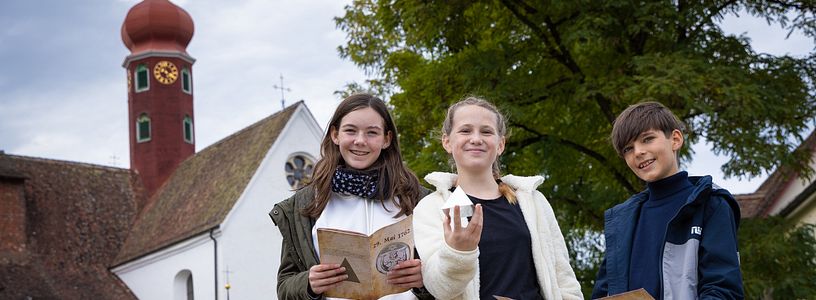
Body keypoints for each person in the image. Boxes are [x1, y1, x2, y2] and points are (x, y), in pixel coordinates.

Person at [412, 96, 583, 299]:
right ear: (447, 142)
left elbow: (564, 280)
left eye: (486, 131)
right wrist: (457, 252)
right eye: (465, 130)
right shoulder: (433, 207)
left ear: (500, 144)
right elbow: (439, 288)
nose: (476, 139)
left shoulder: (533, 202)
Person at [270, 93, 432, 299]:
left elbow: (451, 279)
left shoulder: (418, 200)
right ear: (335, 135)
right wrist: (308, 283)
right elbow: (284, 287)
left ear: (386, 139)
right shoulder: (306, 204)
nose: (360, 141)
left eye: (372, 132)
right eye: (350, 131)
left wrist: (425, 280)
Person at [592, 101, 744, 299]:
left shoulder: (711, 204)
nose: (638, 152)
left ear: (675, 139)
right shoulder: (622, 221)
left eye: (647, 139)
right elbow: (603, 293)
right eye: (628, 149)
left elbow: (723, 290)